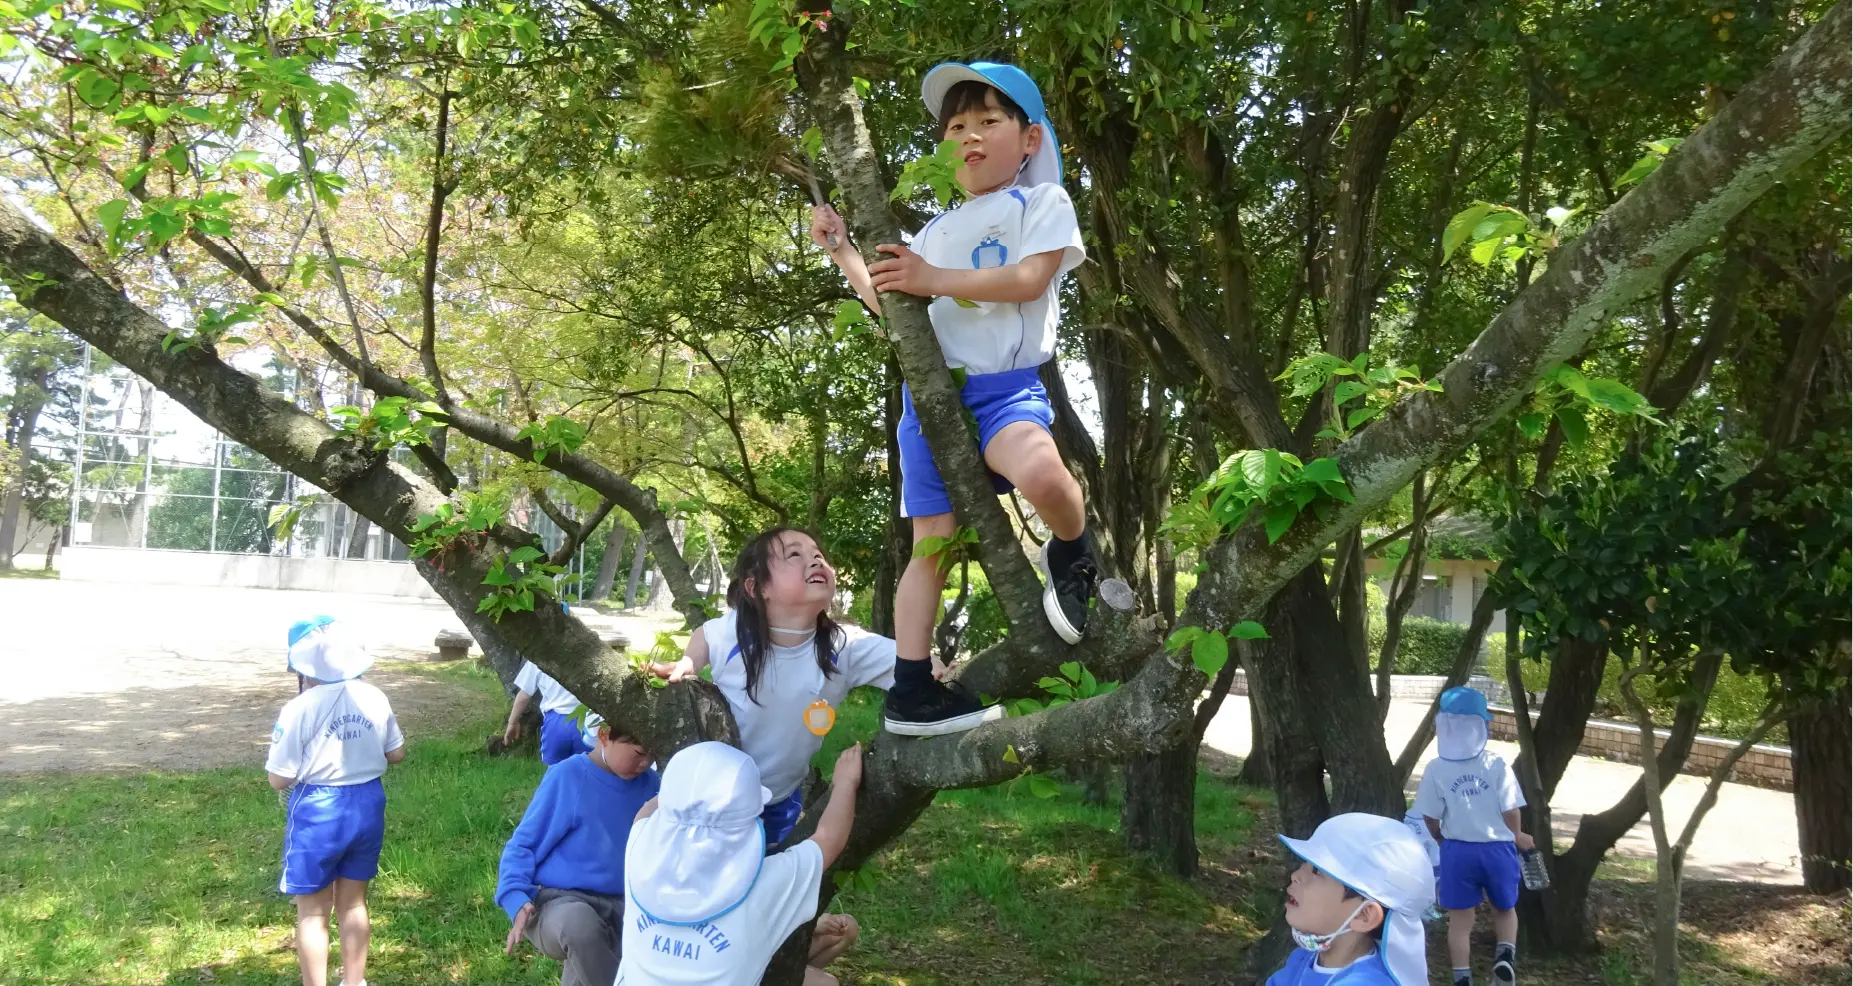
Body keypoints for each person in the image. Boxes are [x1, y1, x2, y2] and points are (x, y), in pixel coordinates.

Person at [810, 60, 1092, 736]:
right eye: (955, 126)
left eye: (989, 121)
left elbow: (1028, 279)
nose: (968, 136)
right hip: (931, 400)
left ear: (1027, 140)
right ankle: (911, 688)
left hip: (1002, 392)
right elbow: (893, 306)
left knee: (1043, 474)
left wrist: (931, 276)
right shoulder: (934, 231)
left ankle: (1073, 551)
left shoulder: (1040, 202)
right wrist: (844, 249)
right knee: (929, 546)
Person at [652, 528, 895, 846]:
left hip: (777, 801)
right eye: (795, 554)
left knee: (761, 879)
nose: (815, 560)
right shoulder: (738, 630)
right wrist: (689, 663)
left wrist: (943, 672)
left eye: (818, 555)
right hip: (709, 790)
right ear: (757, 587)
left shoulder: (845, 646)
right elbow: (705, 636)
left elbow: (908, 662)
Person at [615, 741, 865, 986]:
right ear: (751, 821)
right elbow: (828, 839)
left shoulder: (639, 855)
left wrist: (686, 788)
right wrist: (846, 783)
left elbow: (644, 816)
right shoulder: (765, 885)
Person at [266, 616, 406, 986]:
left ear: (301, 667)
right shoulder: (375, 696)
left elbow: (278, 777)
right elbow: (397, 754)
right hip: (368, 803)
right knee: (354, 902)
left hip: (319, 808)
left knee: (313, 912)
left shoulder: (300, 708)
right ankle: (355, 981)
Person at [496, 715, 661, 986]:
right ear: (605, 735)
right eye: (639, 753)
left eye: (653, 756)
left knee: (592, 966)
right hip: (559, 905)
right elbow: (524, 843)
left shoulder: (651, 784)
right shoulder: (569, 776)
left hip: (625, 906)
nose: (645, 764)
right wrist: (515, 895)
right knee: (581, 927)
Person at [1413, 686, 1534, 986]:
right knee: (1505, 910)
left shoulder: (1436, 768)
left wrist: (1441, 839)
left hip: (1457, 851)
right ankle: (1504, 960)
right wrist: (1517, 835)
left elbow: (1429, 816)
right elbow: (1512, 810)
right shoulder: (1496, 764)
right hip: (1498, 850)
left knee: (1460, 920)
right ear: (1482, 725)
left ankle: (1461, 977)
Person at [1269, 812, 1436, 986]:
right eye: (1305, 863)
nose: (1296, 875)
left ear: (1364, 915)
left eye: (1317, 871)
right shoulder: (1303, 959)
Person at [504, 658, 592, 765]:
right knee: (590, 769)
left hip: (556, 722)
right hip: (588, 720)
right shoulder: (589, 653)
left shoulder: (539, 655)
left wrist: (512, 722)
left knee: (554, 771)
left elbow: (524, 695)